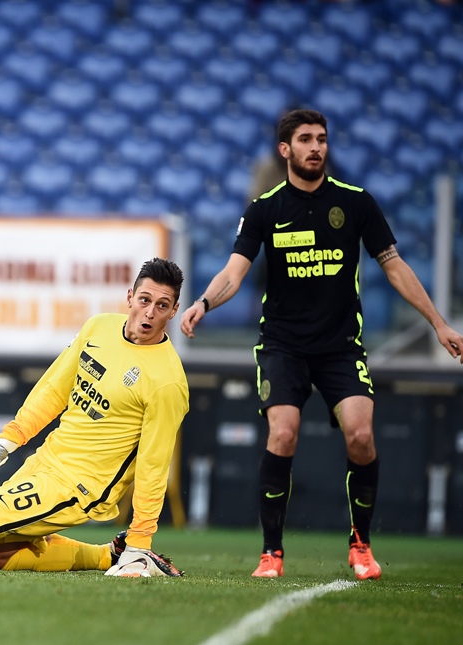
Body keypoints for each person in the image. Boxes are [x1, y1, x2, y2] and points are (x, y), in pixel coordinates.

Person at [180, 109, 463, 581]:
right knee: (283, 434)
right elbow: (234, 271)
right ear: (285, 150)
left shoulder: (356, 203)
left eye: (323, 139)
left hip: (340, 347)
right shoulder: (265, 208)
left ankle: (361, 544)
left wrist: (439, 323)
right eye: (306, 139)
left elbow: (394, 266)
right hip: (282, 345)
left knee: (361, 436)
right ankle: (272, 552)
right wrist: (204, 303)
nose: (317, 147)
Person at [0, 259, 188, 578]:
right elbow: (53, 390)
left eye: (162, 305)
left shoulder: (167, 382)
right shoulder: (99, 327)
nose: (150, 312)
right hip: (45, 461)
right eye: (145, 300)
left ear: (174, 311)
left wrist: (140, 540)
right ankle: (108, 555)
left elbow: (154, 466)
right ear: (130, 296)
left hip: (80, 486)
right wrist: (7, 441)